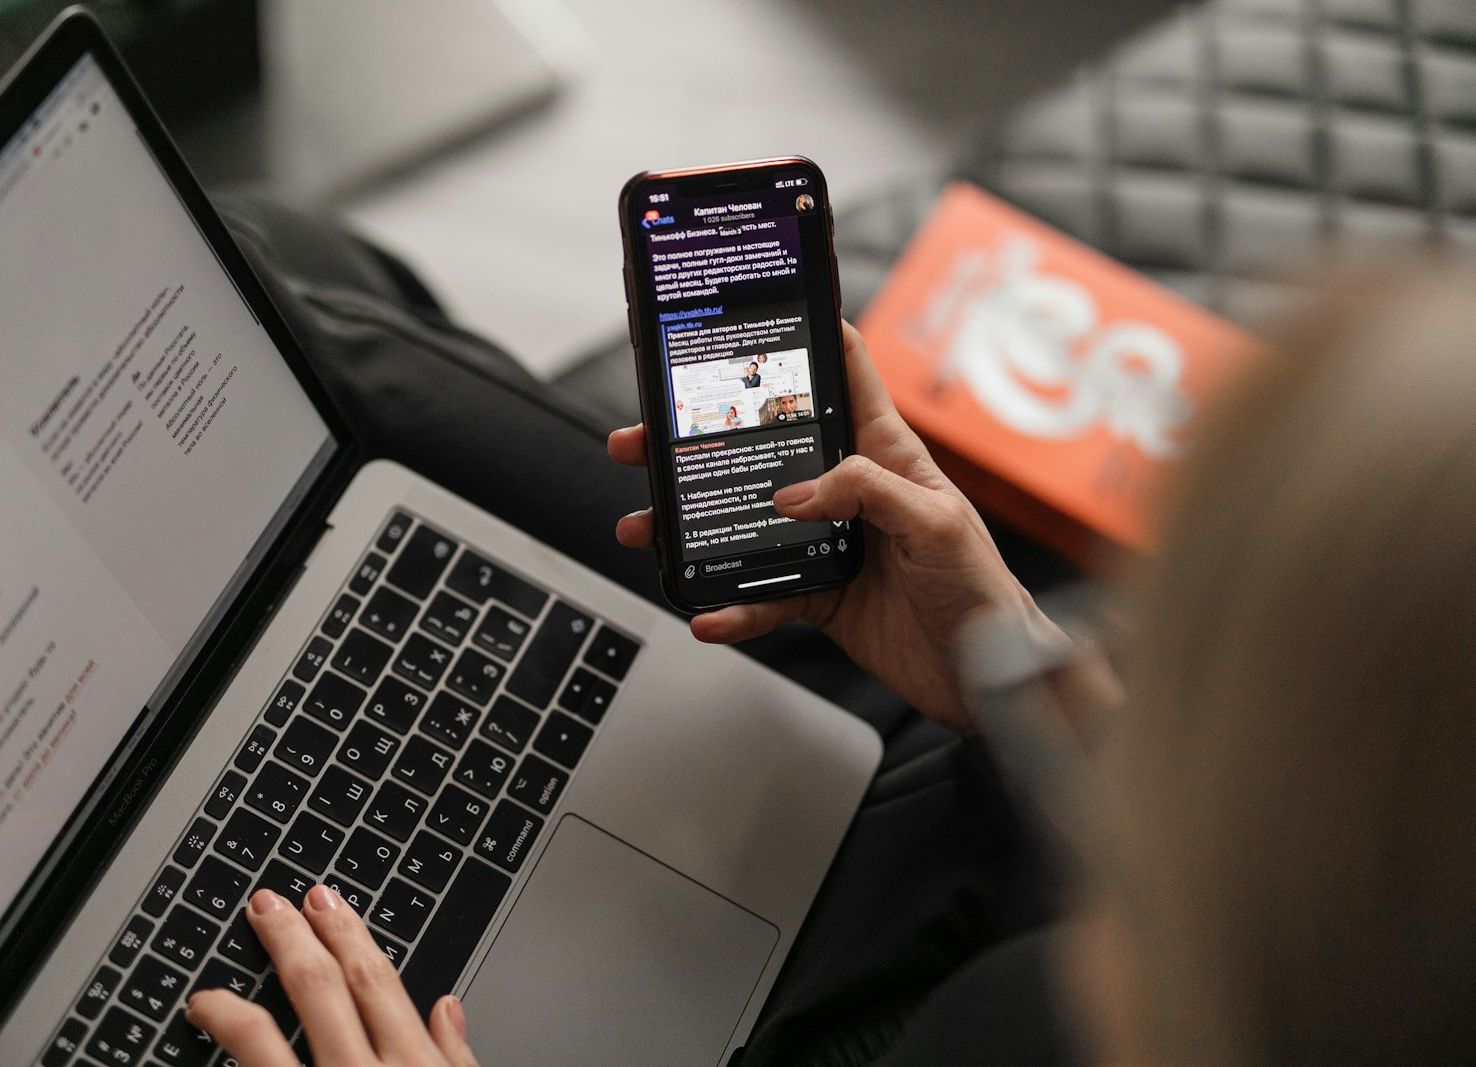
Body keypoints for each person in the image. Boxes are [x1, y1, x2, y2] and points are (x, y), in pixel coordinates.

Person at [189, 198, 1476, 1065]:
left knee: (265, 259)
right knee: (299, 258)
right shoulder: (1301, 962)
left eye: (1190, 674)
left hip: (857, 935)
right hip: (947, 822)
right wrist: (1032, 681)